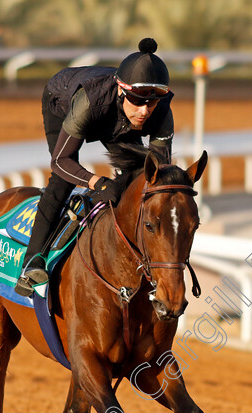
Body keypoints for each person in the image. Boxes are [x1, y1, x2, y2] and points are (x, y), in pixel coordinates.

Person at [15, 38, 174, 297]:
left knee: (136, 175)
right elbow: (60, 161)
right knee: (63, 179)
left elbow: (156, 176)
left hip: (113, 117)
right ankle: (32, 262)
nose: (145, 112)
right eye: (137, 101)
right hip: (64, 99)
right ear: (122, 91)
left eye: (152, 104)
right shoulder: (91, 101)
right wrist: (97, 183)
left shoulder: (161, 111)